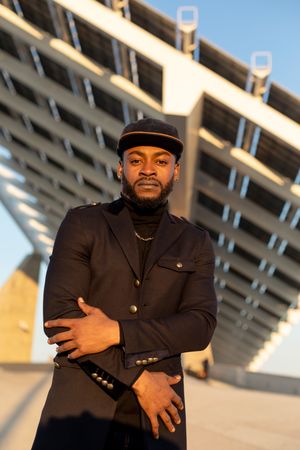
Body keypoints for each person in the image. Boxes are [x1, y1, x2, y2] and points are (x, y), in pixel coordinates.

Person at [31, 118, 217, 450]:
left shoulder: (195, 242)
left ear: (175, 171)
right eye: (136, 160)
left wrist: (116, 331)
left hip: (159, 422)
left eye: (160, 161)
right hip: (79, 411)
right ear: (121, 169)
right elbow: (60, 317)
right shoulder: (82, 224)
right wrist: (140, 380)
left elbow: (200, 326)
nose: (148, 170)